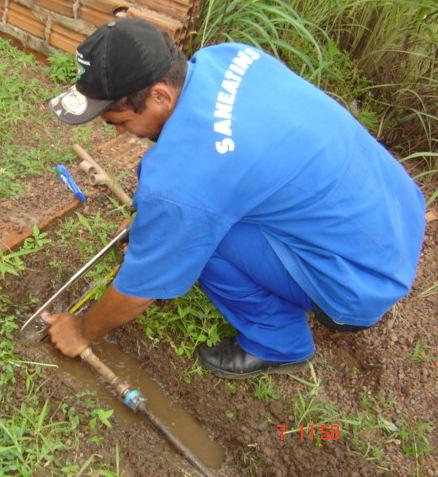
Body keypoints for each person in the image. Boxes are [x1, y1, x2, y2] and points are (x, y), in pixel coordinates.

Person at [44, 18, 425, 378]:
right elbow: (200, 168)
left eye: (120, 123)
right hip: (398, 216)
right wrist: (157, 217)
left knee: (194, 239)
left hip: (357, 283)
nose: (119, 135)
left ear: (160, 95)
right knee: (185, 215)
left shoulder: (187, 179)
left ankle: (278, 343)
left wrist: (80, 330)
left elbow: (139, 287)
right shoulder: (228, 57)